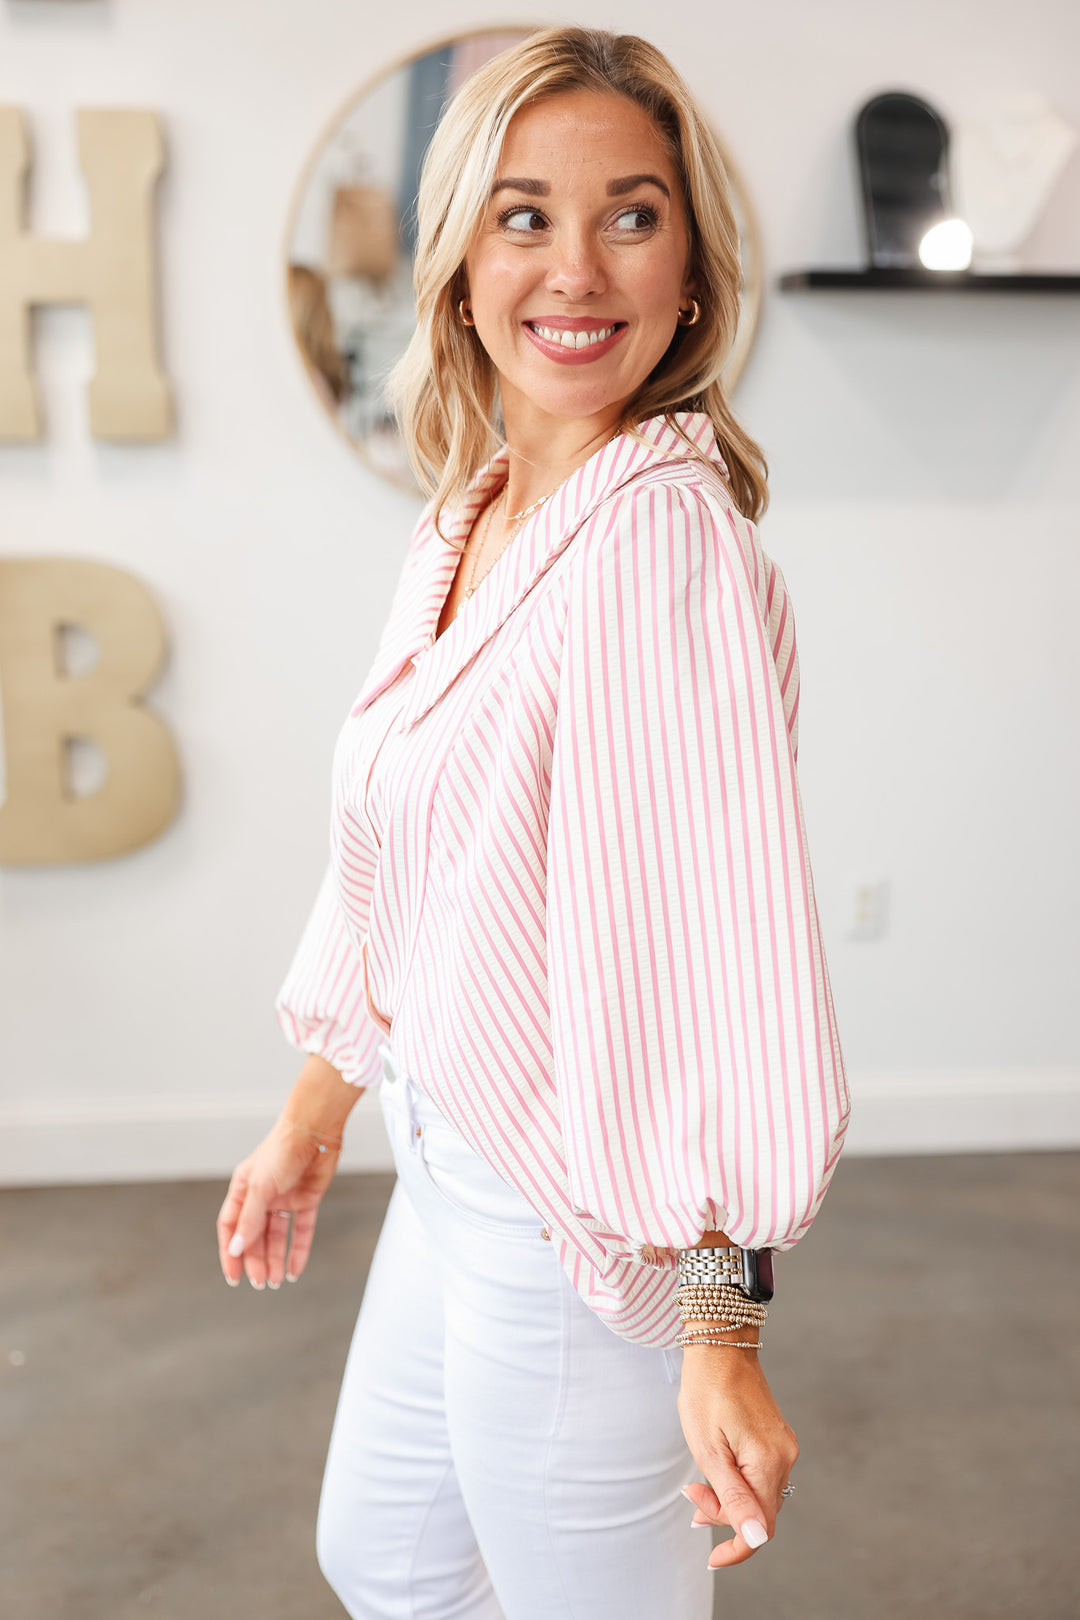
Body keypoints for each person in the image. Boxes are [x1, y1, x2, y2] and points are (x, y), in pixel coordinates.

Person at [217, 25, 850, 1620]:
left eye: (632, 215)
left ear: (695, 263)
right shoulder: (473, 513)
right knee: (393, 1559)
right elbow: (397, 860)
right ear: (458, 258)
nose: (577, 269)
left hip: (576, 1224)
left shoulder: (662, 548)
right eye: (523, 215)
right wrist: (316, 1109)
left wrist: (721, 1328)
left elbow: (726, 969)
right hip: (452, 1162)